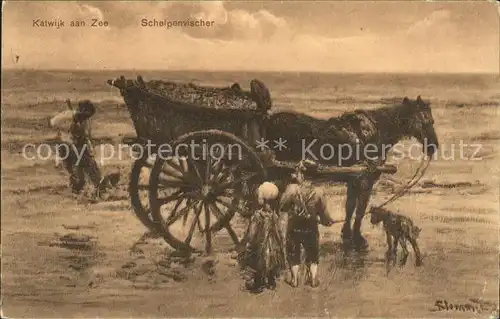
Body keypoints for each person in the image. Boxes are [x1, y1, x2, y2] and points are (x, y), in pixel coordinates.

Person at [279, 160, 337, 288]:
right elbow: (323, 214)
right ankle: (314, 279)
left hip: (294, 226)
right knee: (313, 253)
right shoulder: (319, 192)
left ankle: (294, 279)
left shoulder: (292, 189)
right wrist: (328, 221)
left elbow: (282, 206)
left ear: (302, 175)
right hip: (311, 226)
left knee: (293, 253)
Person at [49, 99, 105, 198]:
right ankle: (77, 192)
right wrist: (68, 123)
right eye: (85, 115)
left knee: (90, 167)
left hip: (80, 146)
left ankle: (96, 188)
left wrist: (90, 148)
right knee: (77, 174)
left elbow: (87, 136)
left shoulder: (85, 121)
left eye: (88, 116)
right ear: (80, 111)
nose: (86, 118)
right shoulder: (67, 116)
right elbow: (52, 122)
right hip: (66, 147)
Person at [238, 182, 287, 294]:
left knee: (257, 259)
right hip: (272, 243)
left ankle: (258, 282)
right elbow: (278, 230)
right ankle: (270, 280)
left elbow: (252, 234)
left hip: (260, 243)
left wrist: (248, 243)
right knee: (271, 258)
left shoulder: (257, 215)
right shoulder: (273, 215)